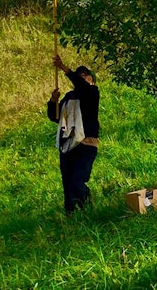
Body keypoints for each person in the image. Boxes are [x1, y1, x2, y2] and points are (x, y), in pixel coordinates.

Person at [47, 54, 100, 214]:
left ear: (92, 80)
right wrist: (53, 101)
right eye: (80, 75)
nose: (82, 77)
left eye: (86, 75)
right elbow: (56, 117)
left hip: (86, 143)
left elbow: (82, 86)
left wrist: (63, 67)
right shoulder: (70, 97)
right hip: (68, 144)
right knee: (68, 182)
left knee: (78, 180)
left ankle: (87, 210)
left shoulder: (92, 93)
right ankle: (71, 214)